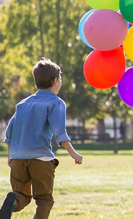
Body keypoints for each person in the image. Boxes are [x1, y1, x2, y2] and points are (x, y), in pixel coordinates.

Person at [0, 59, 83, 219]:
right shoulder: (55, 103)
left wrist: (11, 155)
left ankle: (12, 201)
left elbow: (9, 132)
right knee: (44, 200)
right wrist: (74, 154)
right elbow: (60, 132)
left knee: (21, 195)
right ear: (55, 80)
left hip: (18, 158)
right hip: (40, 159)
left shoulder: (23, 104)